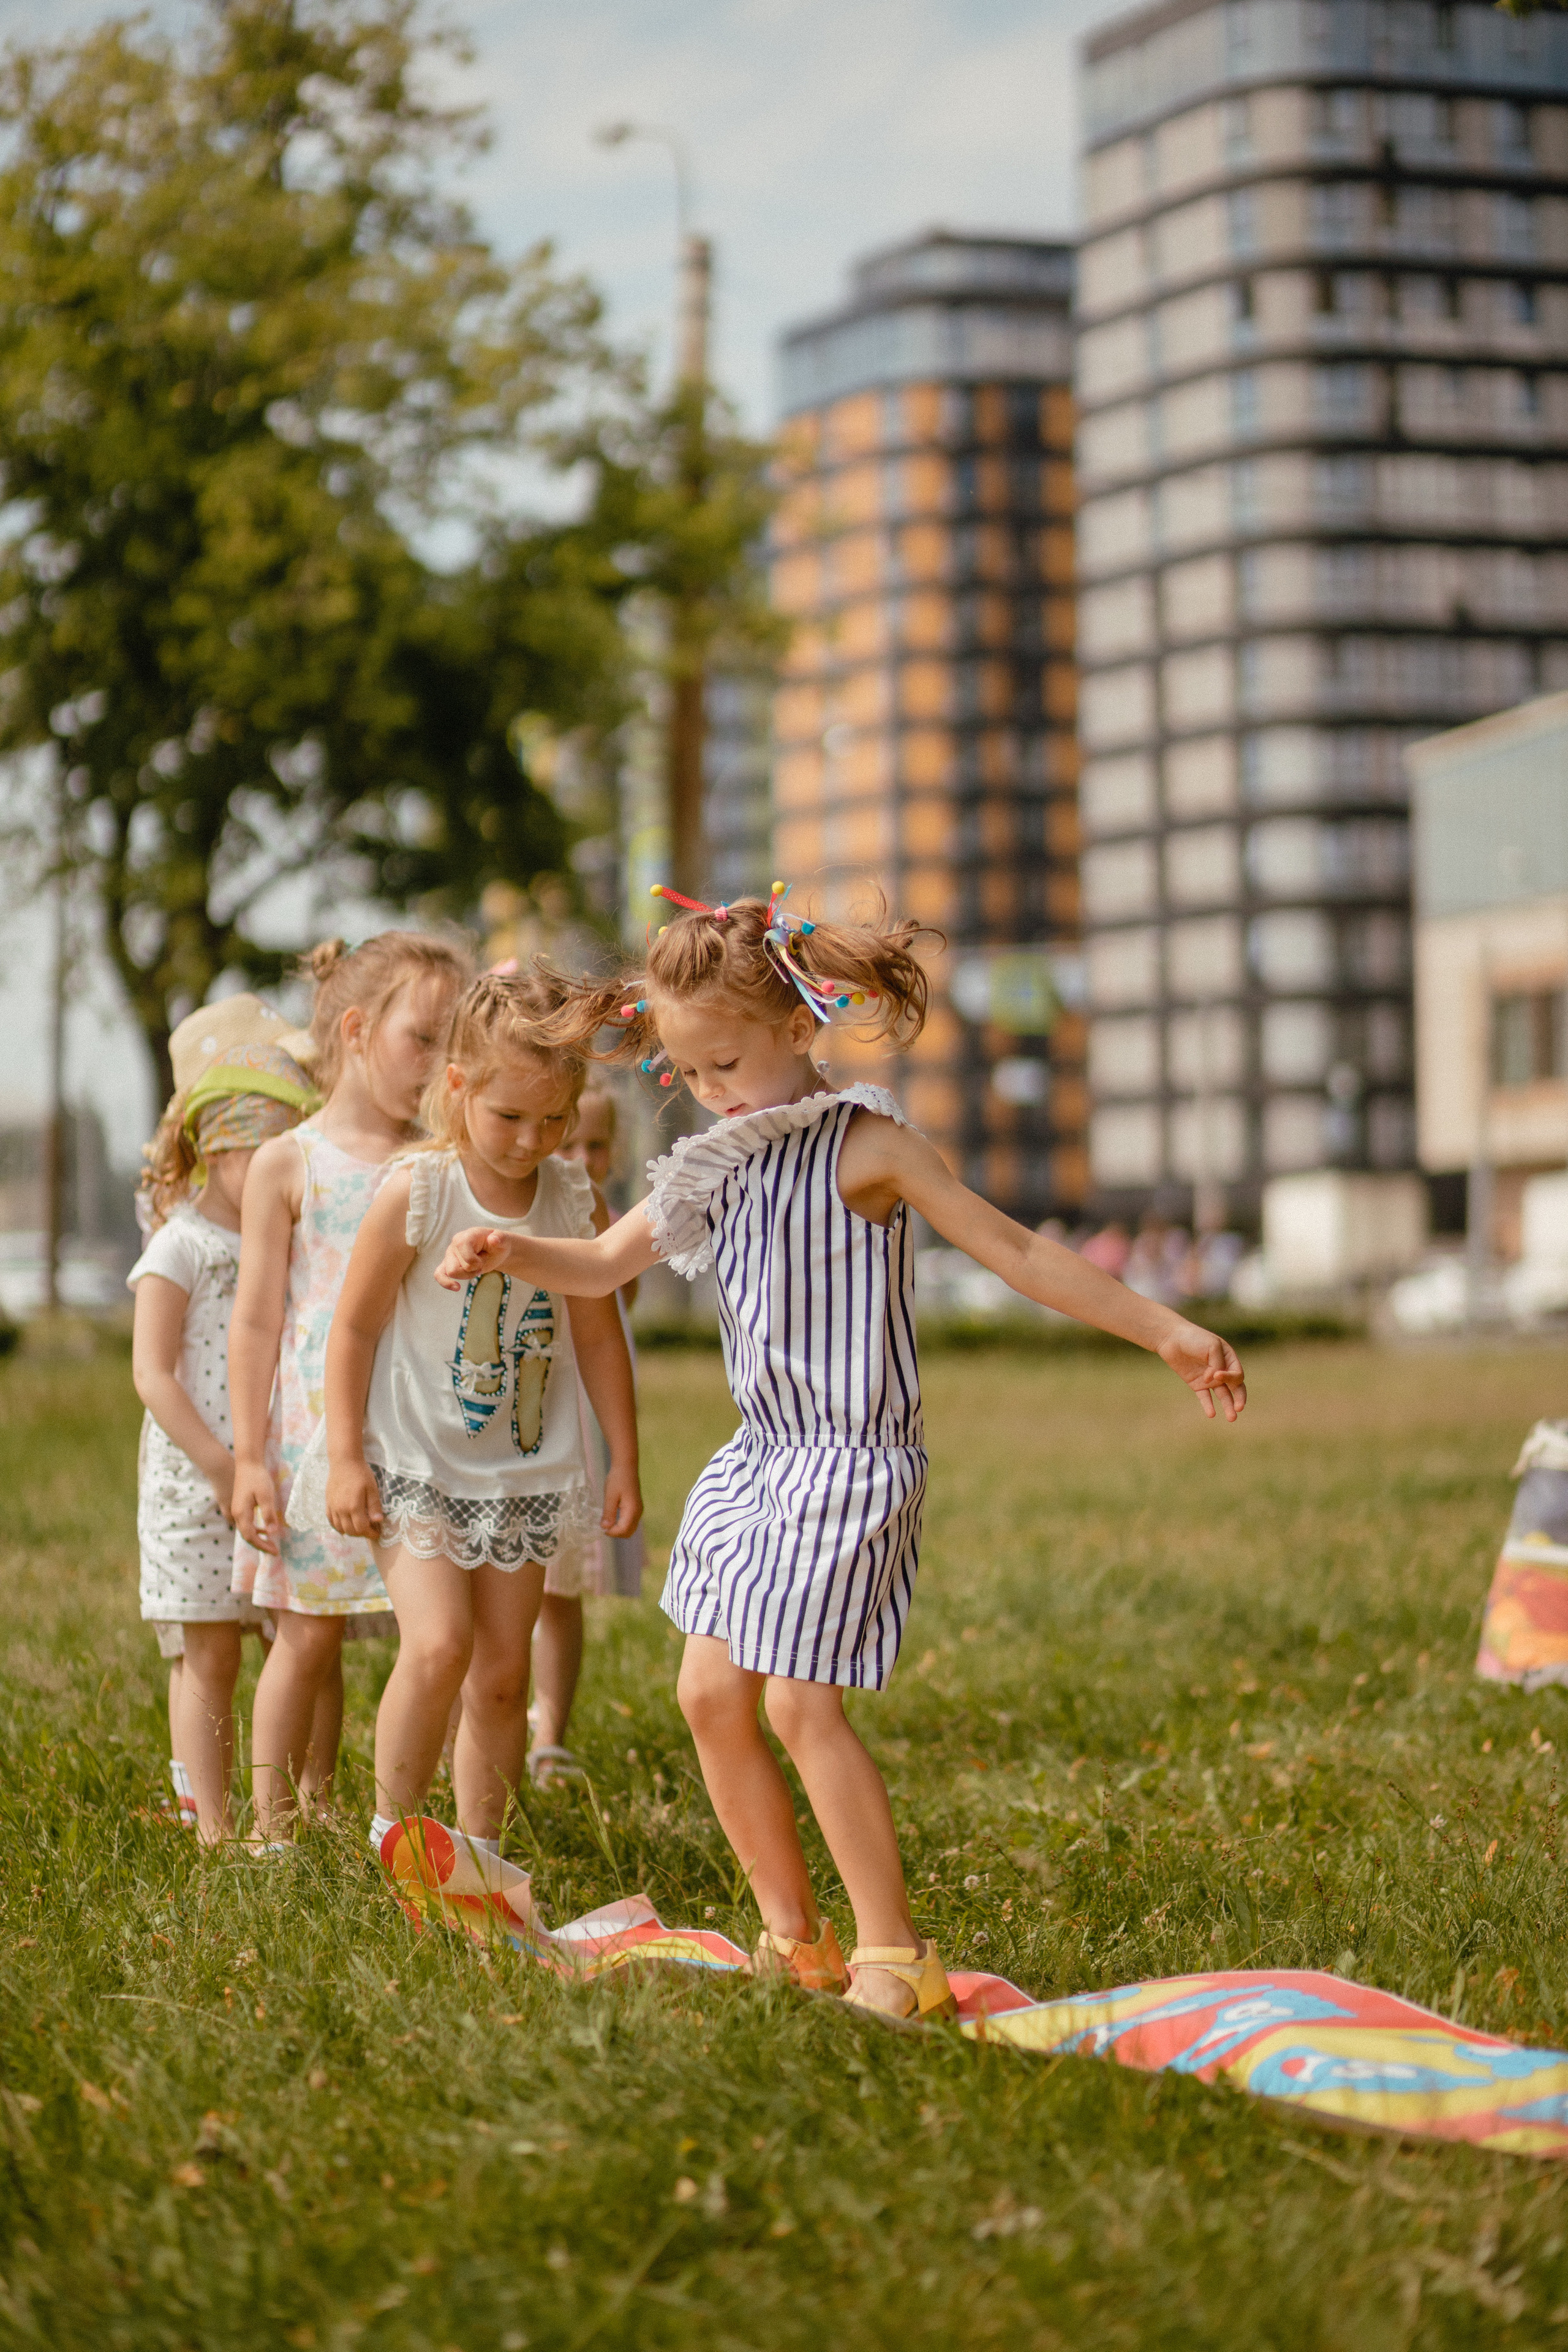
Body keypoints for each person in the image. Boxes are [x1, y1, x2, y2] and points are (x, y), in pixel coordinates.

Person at [437, 884, 1248, 2021]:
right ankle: (794, 1937)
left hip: (850, 1463)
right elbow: (600, 1266)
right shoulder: (713, 1164)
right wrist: (507, 1249)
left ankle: (895, 1954)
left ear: (798, 1029)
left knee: (800, 1707)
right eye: (691, 1074)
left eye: (726, 1064)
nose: (710, 1093)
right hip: (757, 1461)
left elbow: (1016, 1251)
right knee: (710, 1693)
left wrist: (1168, 1329)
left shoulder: (870, 1147)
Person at [307, 970, 641, 1852]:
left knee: (501, 1675)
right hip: (416, 1465)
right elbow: (352, 1331)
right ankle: (396, 1836)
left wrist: (624, 1460)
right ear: (458, 1087)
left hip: (523, 1476)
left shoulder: (574, 1203)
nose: (533, 1140)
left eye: (555, 1120)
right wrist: (346, 1457)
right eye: (510, 1118)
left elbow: (602, 1340)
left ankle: (479, 1855)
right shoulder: (416, 1193)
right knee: (439, 1646)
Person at [229, 932, 470, 1842]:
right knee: (306, 1635)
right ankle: (270, 1825)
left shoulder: (441, 1161)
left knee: (437, 1634)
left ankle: (397, 1814)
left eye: (456, 1043)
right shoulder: (289, 1164)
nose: (441, 1063)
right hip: (314, 1439)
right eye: (424, 1038)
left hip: (424, 1434)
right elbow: (255, 1320)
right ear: (361, 1030)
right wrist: (251, 1457)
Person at [129, 997, 318, 1841]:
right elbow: (151, 1371)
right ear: (222, 1147)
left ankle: (293, 1807)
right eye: (277, 1157)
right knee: (209, 1653)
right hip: (194, 1481)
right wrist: (215, 1463)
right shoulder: (183, 1245)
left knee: (292, 1640)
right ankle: (212, 1824)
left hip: (276, 1477)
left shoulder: (282, 1243)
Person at [526, 1085, 647, 1785]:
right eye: (568, 1143)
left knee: (560, 1585)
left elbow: (616, 1309)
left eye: (594, 1146)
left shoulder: (600, 1214)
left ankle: (553, 1731)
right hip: (533, 1407)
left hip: (579, 1416)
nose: (580, 1158)